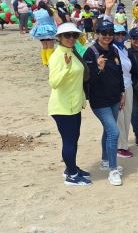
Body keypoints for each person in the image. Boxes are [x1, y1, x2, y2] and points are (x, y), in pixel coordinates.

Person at [83, 20, 125, 186]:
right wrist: (98, 68)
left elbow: (119, 73)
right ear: (97, 34)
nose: (107, 36)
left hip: (114, 98)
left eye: (110, 33)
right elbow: (87, 79)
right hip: (99, 101)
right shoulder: (91, 52)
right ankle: (113, 170)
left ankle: (106, 160)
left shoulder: (114, 50)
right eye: (103, 33)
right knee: (114, 132)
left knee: (109, 131)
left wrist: (122, 93)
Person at [48, 23, 90, 186]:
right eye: (67, 35)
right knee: (69, 140)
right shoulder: (58, 55)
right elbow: (54, 82)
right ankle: (71, 175)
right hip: (62, 107)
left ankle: (71, 167)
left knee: (74, 138)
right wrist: (66, 68)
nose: (71, 38)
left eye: (74, 35)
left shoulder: (72, 52)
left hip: (73, 105)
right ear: (59, 38)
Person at [111, 25, 134, 159]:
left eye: (122, 34)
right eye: (117, 34)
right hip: (119, 87)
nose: (120, 36)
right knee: (120, 118)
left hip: (128, 85)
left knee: (127, 116)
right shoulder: (112, 49)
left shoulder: (123, 48)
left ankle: (124, 143)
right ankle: (120, 146)